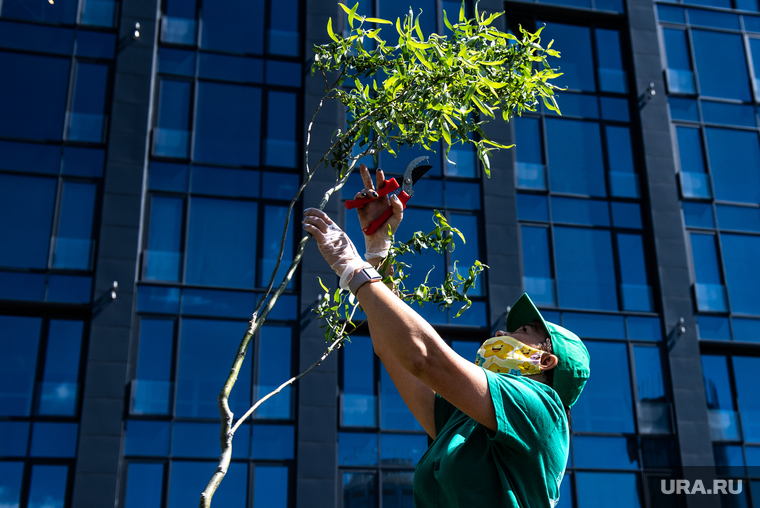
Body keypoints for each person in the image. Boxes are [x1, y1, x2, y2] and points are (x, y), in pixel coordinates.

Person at [303, 164, 591, 508]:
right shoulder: (463, 420)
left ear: (545, 360)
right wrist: (379, 256)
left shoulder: (543, 411)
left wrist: (354, 270)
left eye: (523, 331)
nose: (503, 332)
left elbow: (423, 357)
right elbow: (394, 352)